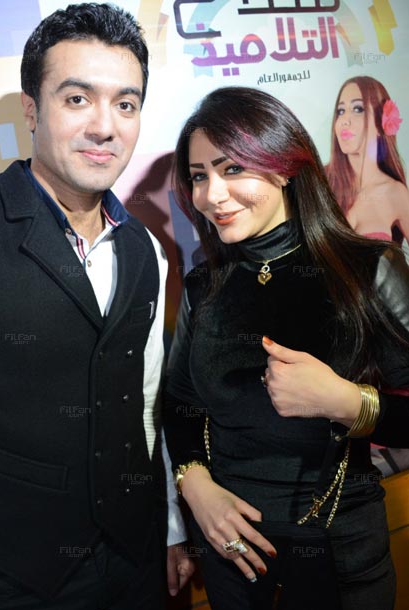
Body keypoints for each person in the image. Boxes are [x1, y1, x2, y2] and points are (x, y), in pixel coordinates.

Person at [0, 4, 193, 609]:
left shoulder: (147, 249)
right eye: (77, 99)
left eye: (126, 104)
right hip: (16, 580)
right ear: (30, 110)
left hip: (136, 561)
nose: (105, 126)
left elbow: (146, 404)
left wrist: (171, 525)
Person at [163, 86, 409, 610]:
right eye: (200, 176)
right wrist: (196, 486)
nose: (212, 195)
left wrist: (348, 402)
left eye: (232, 169)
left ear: (282, 167)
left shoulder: (369, 270)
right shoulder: (205, 286)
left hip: (339, 551)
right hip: (232, 554)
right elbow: (179, 405)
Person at [326, 75, 409, 244]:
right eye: (340, 111)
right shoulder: (321, 181)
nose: (344, 121)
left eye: (358, 109)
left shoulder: (394, 193)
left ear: (381, 122)